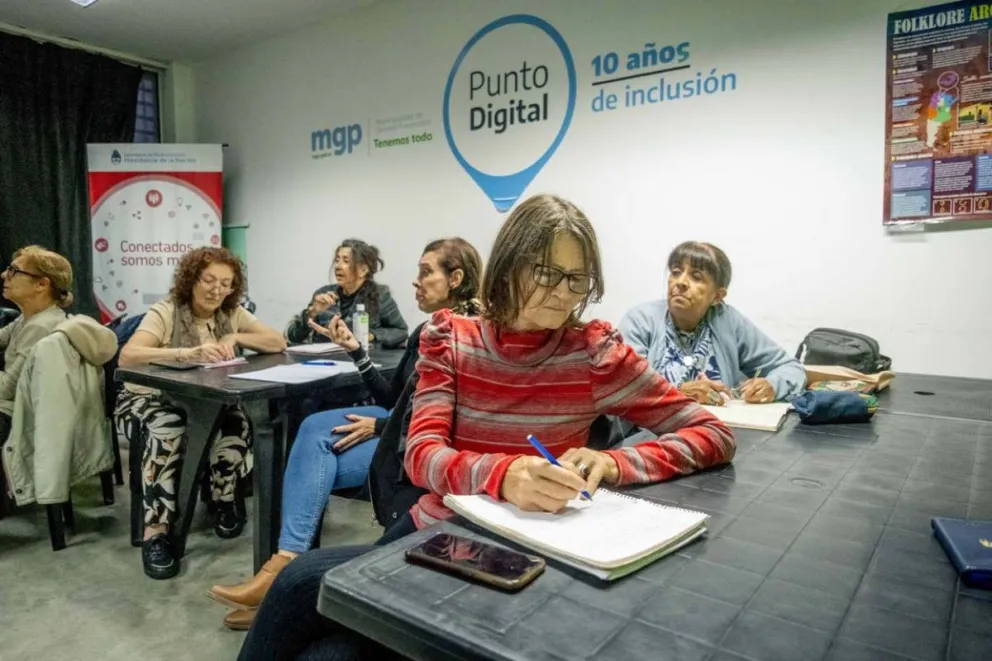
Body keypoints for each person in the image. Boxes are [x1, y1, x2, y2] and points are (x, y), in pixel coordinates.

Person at [235, 195, 735, 661]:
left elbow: (711, 433)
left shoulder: (594, 355)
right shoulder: (452, 339)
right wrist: (503, 476)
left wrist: (613, 462)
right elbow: (422, 454)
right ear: (509, 265)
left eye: (577, 279)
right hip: (440, 529)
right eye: (547, 273)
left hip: (530, 550)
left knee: (322, 626)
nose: (563, 293)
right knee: (306, 596)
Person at [208, 238, 484, 631]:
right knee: (311, 429)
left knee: (314, 466)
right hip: (398, 425)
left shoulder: (470, 334)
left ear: (455, 279)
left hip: (418, 442)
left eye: (426, 272)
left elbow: (455, 418)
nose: (416, 280)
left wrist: (380, 426)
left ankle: (283, 576)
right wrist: (356, 350)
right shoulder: (427, 329)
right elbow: (391, 398)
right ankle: (286, 575)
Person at [115, 247, 287, 580]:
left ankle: (223, 497)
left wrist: (235, 335)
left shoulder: (230, 313)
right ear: (191, 279)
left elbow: (277, 341)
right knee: (169, 428)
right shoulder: (166, 311)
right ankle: (156, 531)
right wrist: (186, 353)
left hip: (206, 400)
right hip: (148, 398)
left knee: (237, 423)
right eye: (208, 280)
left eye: (225, 283)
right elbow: (129, 356)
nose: (216, 290)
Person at [620, 241, 806, 406]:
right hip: (651, 430)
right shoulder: (640, 320)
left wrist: (772, 385)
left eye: (696, 276)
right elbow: (623, 387)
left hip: (720, 428)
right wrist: (678, 391)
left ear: (717, 296)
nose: (681, 282)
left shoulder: (727, 321)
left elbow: (791, 368)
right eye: (676, 272)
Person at [0, 246, 74, 445]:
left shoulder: (41, 326)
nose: (4, 275)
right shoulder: (28, 318)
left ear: (41, 284)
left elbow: (6, 389)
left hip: (16, 416)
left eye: (14, 271)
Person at [285, 239, 408, 349]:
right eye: (337, 260)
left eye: (346, 261)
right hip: (325, 361)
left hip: (363, 360)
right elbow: (292, 337)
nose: (338, 266)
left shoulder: (380, 295)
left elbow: (401, 331)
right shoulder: (323, 294)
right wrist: (312, 312)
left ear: (363, 270)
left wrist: (371, 335)